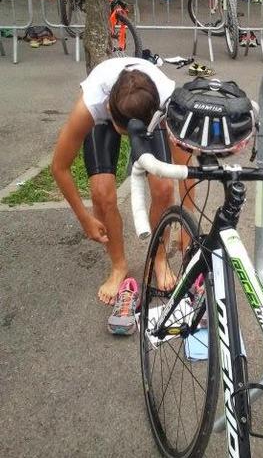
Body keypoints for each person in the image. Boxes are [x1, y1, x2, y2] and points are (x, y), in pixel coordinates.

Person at [52, 56, 192, 305]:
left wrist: (187, 224)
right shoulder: (93, 105)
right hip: (111, 108)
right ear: (108, 111)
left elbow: (185, 168)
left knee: (163, 187)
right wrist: (84, 218)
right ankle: (118, 266)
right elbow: (59, 168)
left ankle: (159, 259)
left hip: (150, 107)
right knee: (101, 192)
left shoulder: (169, 102)